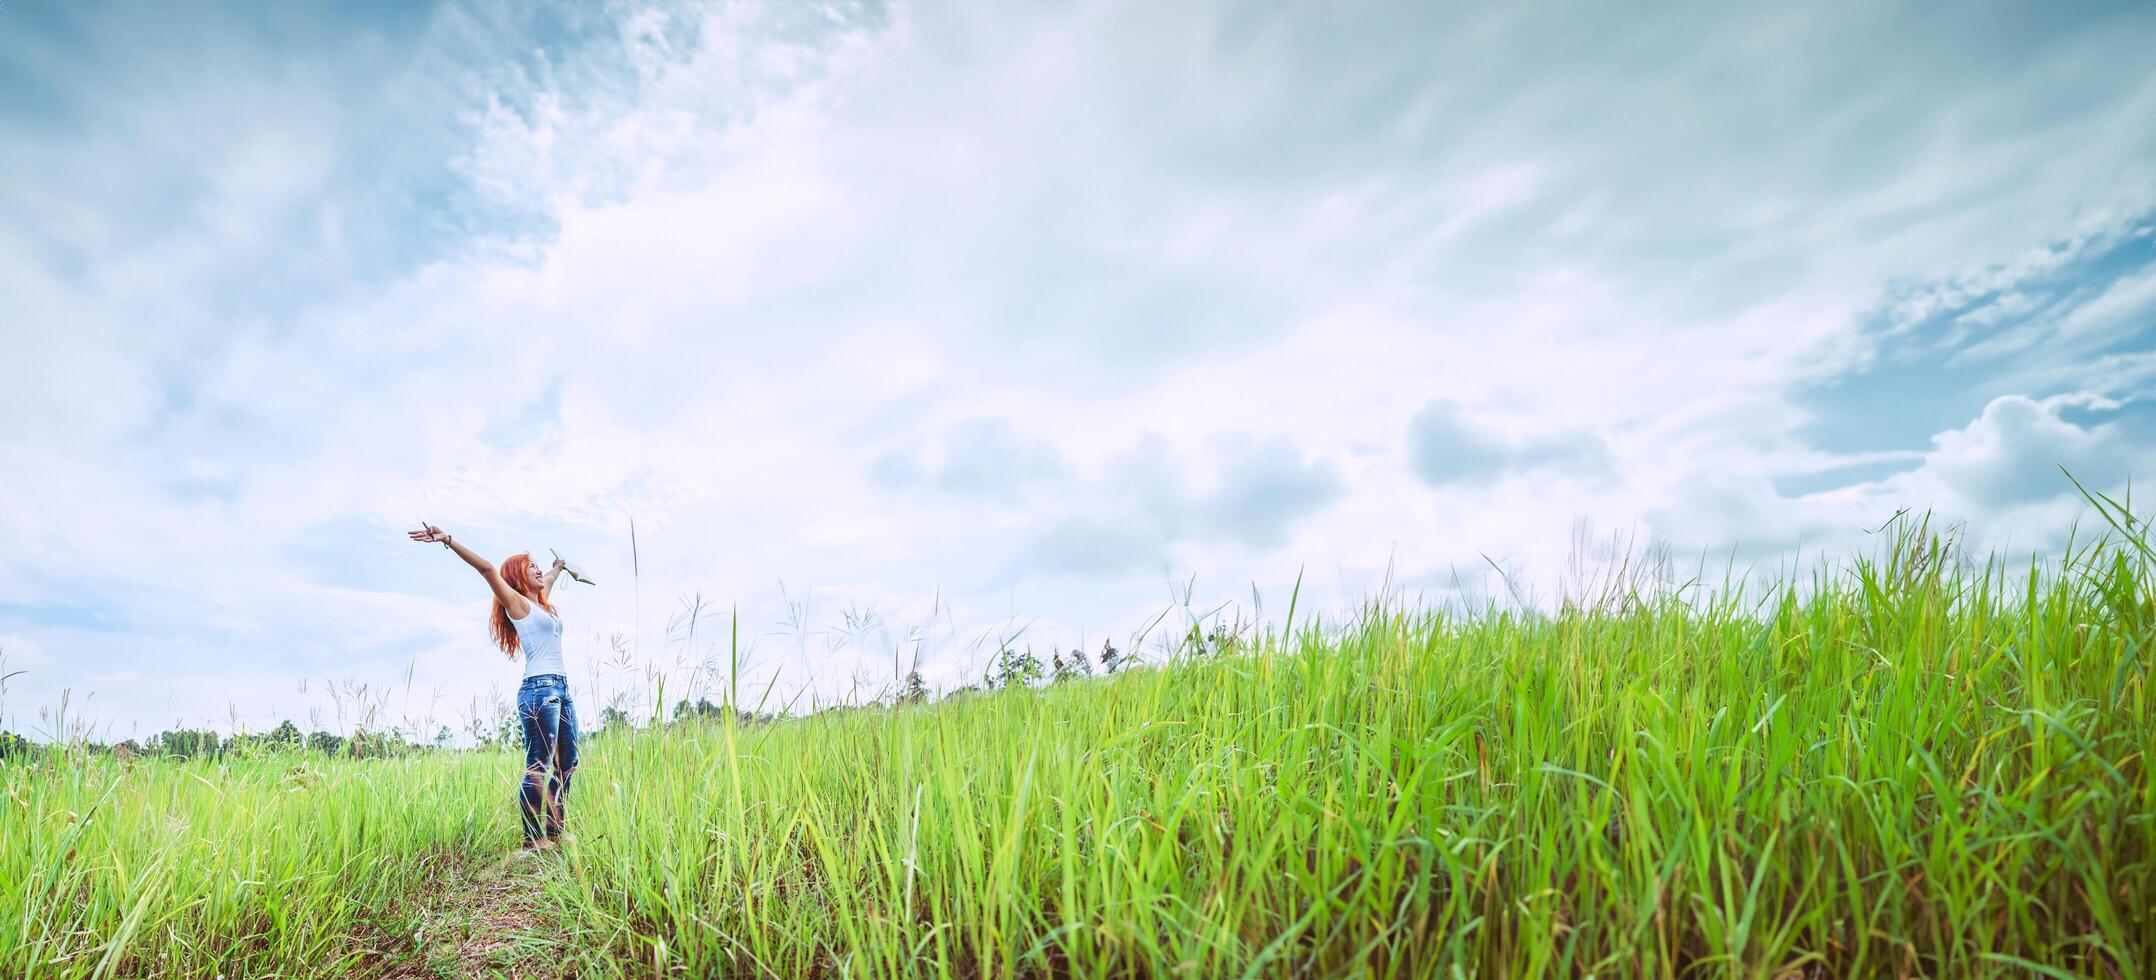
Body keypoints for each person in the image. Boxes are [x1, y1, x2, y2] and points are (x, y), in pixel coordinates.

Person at [409, 523, 579, 852]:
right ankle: (533, 840)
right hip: (539, 691)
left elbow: (550, 581)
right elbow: (487, 569)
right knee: (539, 764)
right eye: (532, 567)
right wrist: (448, 540)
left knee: (567, 761)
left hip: (562, 689)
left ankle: (555, 832)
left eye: (539, 566)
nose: (539, 570)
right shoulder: (516, 603)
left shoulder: (541, 605)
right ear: (516, 576)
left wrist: (557, 568)